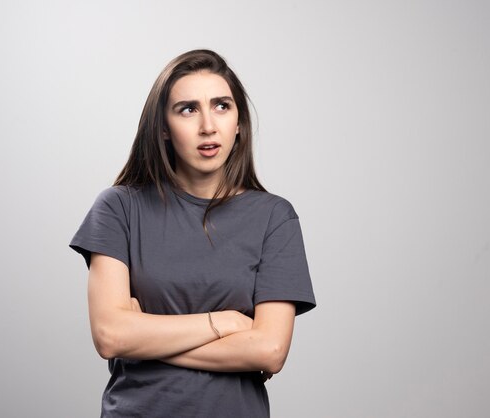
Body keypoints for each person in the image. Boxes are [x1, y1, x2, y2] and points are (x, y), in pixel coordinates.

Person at [70, 49, 316, 418]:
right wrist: (227, 323)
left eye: (221, 106)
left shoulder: (274, 218)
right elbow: (111, 336)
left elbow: (269, 351)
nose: (208, 126)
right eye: (188, 109)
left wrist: (145, 337)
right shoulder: (119, 208)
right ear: (163, 128)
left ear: (239, 123)